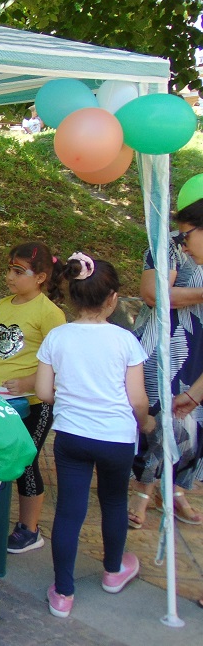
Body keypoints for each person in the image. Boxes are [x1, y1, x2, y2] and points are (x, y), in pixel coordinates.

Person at [35, 253, 152, 618]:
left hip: (71, 436)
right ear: (113, 298)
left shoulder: (57, 337)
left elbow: (43, 392)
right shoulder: (125, 340)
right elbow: (137, 400)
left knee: (69, 511)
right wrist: (145, 422)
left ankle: (63, 593)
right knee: (114, 502)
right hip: (116, 438)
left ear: (72, 295)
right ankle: (113, 572)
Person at [0, 242, 66, 552]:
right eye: (9, 269)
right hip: (0, 399)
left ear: (40, 277)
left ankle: (30, 529)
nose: (9, 277)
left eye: (18, 271)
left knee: (25, 462)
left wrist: (28, 381)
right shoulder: (1, 305)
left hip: (35, 404)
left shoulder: (50, 313)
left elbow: (59, 362)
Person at [129, 197, 203, 531]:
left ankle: (174, 490)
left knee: (195, 423)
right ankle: (143, 490)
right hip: (166, 343)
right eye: (182, 235)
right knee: (160, 415)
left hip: (199, 345)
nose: (184, 242)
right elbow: (154, 294)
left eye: (188, 234)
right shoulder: (169, 245)